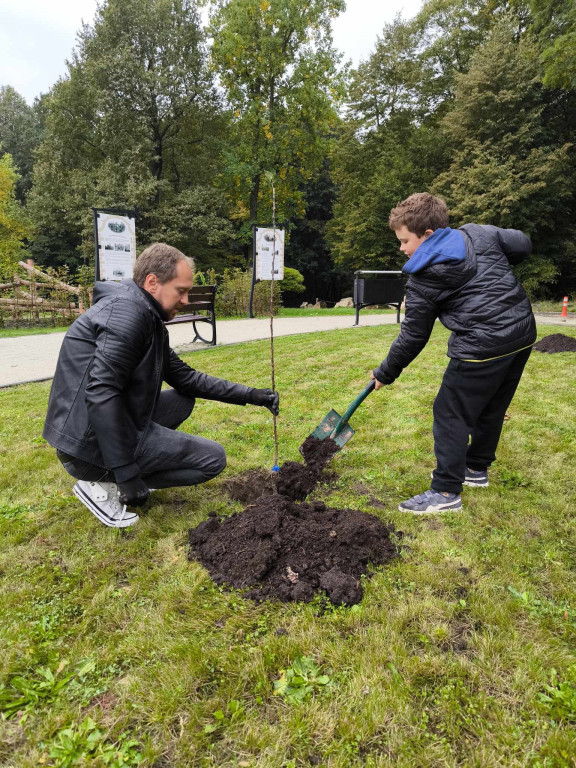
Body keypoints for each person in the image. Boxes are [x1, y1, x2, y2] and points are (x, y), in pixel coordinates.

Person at [43, 243, 279, 528]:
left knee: (183, 399)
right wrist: (127, 473)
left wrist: (252, 395)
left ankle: (115, 470)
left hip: (105, 424)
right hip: (84, 442)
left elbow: (186, 379)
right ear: (152, 282)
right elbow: (101, 392)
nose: (187, 300)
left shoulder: (145, 315)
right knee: (213, 459)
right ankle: (104, 483)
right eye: (181, 291)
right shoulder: (128, 316)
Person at [370, 193, 536, 514]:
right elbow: (522, 244)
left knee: (449, 411)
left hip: (481, 346)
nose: (401, 248)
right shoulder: (478, 233)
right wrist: (496, 265)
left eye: (405, 240)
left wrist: (384, 373)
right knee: (492, 404)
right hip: (521, 333)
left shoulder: (421, 278)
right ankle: (475, 468)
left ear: (428, 234)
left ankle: (446, 491)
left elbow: (413, 337)